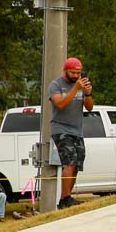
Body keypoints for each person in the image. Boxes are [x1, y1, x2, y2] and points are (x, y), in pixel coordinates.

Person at [47, 57, 93, 209]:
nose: (75, 76)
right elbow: (60, 104)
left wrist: (87, 94)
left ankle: (64, 199)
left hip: (77, 130)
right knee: (69, 161)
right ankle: (66, 198)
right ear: (65, 70)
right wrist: (76, 89)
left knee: (77, 164)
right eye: (73, 73)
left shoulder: (80, 84)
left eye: (78, 73)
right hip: (61, 129)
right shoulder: (56, 85)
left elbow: (90, 108)